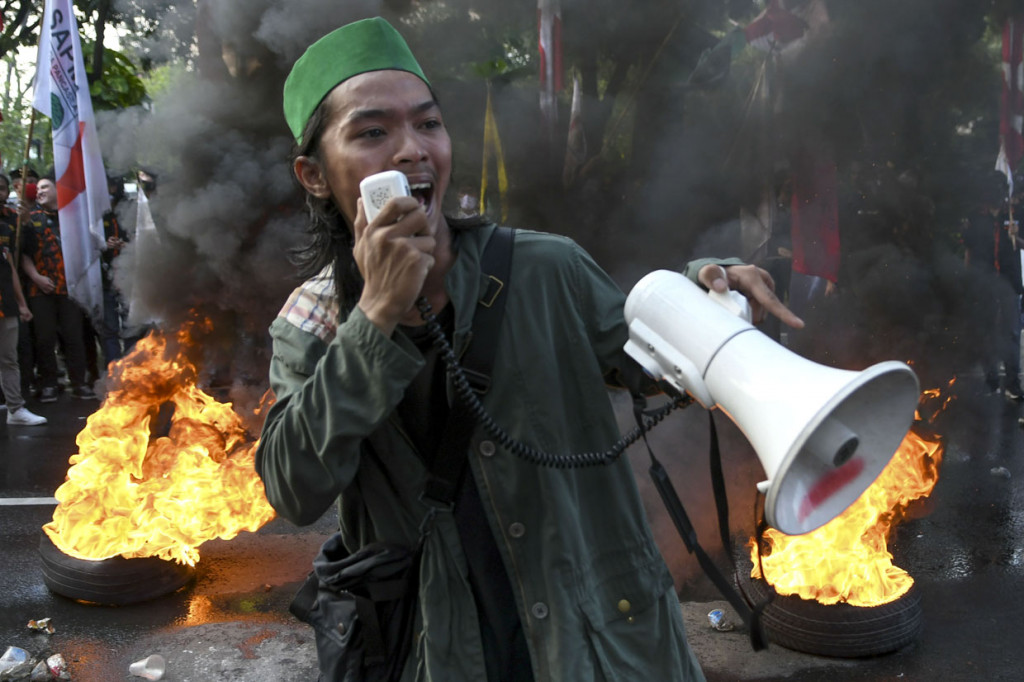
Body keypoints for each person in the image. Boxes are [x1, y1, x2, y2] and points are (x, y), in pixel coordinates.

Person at [255, 17, 802, 681]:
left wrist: (708, 294)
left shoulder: (546, 269)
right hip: (441, 650)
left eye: (428, 124)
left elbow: (653, 358)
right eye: (372, 133)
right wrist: (375, 317)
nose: (411, 151)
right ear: (314, 175)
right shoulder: (313, 322)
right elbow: (294, 487)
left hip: (596, 641)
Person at [19, 177, 96, 401]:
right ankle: (50, 383)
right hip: (40, 288)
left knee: (74, 337)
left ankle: (79, 383)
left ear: (57, 190)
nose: (40, 191)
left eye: (45, 187)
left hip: (69, 288)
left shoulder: (72, 217)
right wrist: (36, 277)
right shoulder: (30, 218)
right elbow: (23, 254)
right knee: (44, 338)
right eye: (38, 188)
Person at [963, 177, 1024, 400]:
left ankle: (1012, 382)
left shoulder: (1015, 214)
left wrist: (1016, 237)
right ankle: (991, 380)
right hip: (985, 280)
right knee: (987, 329)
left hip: (1009, 280)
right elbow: (969, 250)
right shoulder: (976, 217)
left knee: (1011, 332)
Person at [0, 175, 46, 426]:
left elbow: (10, 269)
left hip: (5, 305)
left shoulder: (8, 227)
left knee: (8, 358)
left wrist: (21, 304)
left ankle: (15, 409)